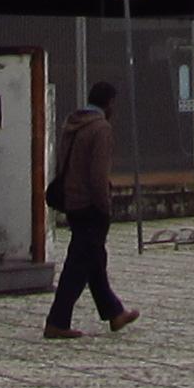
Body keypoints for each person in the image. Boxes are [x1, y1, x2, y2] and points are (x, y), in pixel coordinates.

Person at [44, 81, 134, 337]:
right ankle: (57, 322)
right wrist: (104, 206)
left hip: (72, 201)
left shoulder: (72, 124)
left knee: (94, 260)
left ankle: (115, 313)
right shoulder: (100, 129)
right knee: (78, 265)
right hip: (91, 205)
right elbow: (98, 174)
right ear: (109, 103)